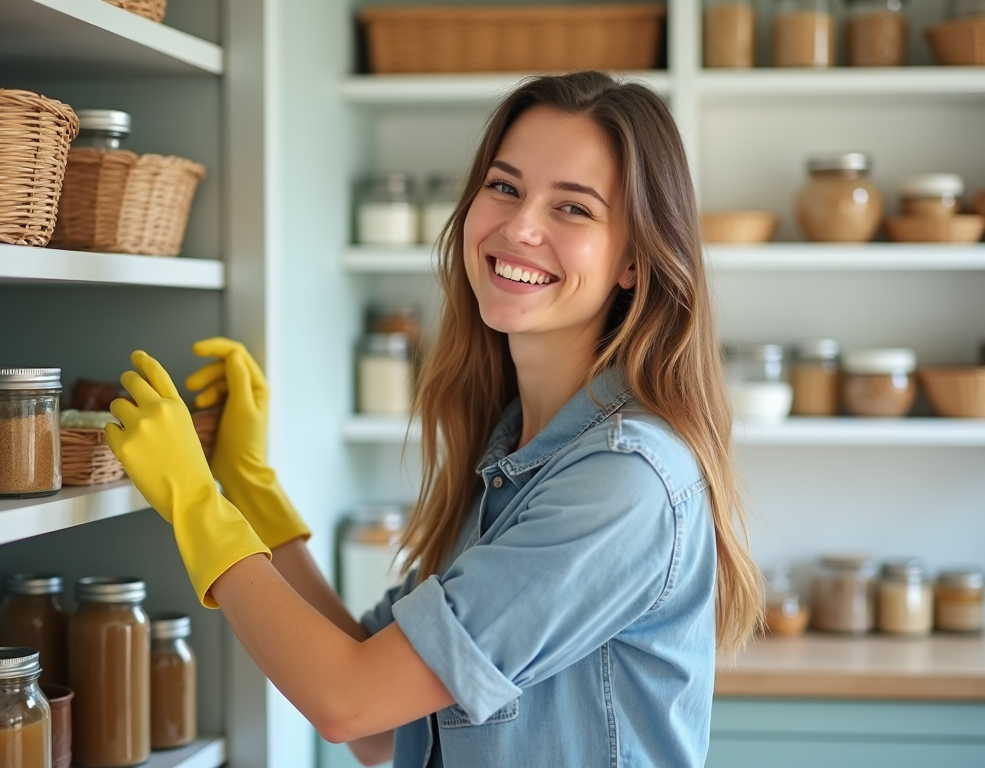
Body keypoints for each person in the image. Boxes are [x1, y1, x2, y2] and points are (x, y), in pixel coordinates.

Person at [106, 71, 761, 768]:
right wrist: (251, 489)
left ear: (633, 260)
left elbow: (347, 701)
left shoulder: (622, 484)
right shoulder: (512, 458)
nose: (519, 226)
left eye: (572, 208)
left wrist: (197, 507)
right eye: (504, 187)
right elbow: (376, 722)